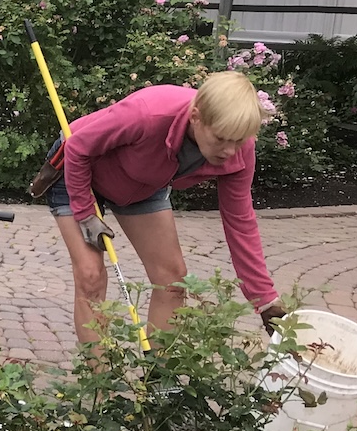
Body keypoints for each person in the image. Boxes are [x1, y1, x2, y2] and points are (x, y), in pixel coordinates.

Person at [43, 71, 286, 343]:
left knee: (172, 280)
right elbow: (77, 147)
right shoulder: (148, 114)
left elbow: (240, 223)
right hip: (76, 171)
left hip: (144, 182)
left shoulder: (239, 147)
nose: (230, 151)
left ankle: (159, 380)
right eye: (220, 138)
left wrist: (265, 301)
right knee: (91, 277)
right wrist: (86, 214)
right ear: (196, 117)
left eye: (238, 141)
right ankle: (102, 381)